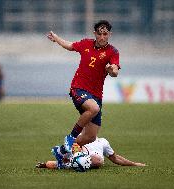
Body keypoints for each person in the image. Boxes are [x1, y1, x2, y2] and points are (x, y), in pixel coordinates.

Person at [47, 20, 120, 167]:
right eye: (99, 33)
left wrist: (111, 69)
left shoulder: (112, 51)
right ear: (95, 34)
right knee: (93, 109)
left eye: (105, 34)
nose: (102, 37)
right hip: (78, 88)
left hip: (96, 95)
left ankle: (61, 152)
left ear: (109, 34)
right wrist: (57, 39)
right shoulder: (86, 44)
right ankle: (70, 138)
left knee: (91, 136)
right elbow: (70, 45)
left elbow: (115, 71)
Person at [36, 137, 146, 170]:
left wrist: (134, 164)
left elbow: (115, 158)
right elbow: (73, 144)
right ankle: (67, 157)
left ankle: (67, 162)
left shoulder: (103, 141)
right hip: (79, 154)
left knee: (98, 160)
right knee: (98, 160)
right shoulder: (79, 136)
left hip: (88, 159)